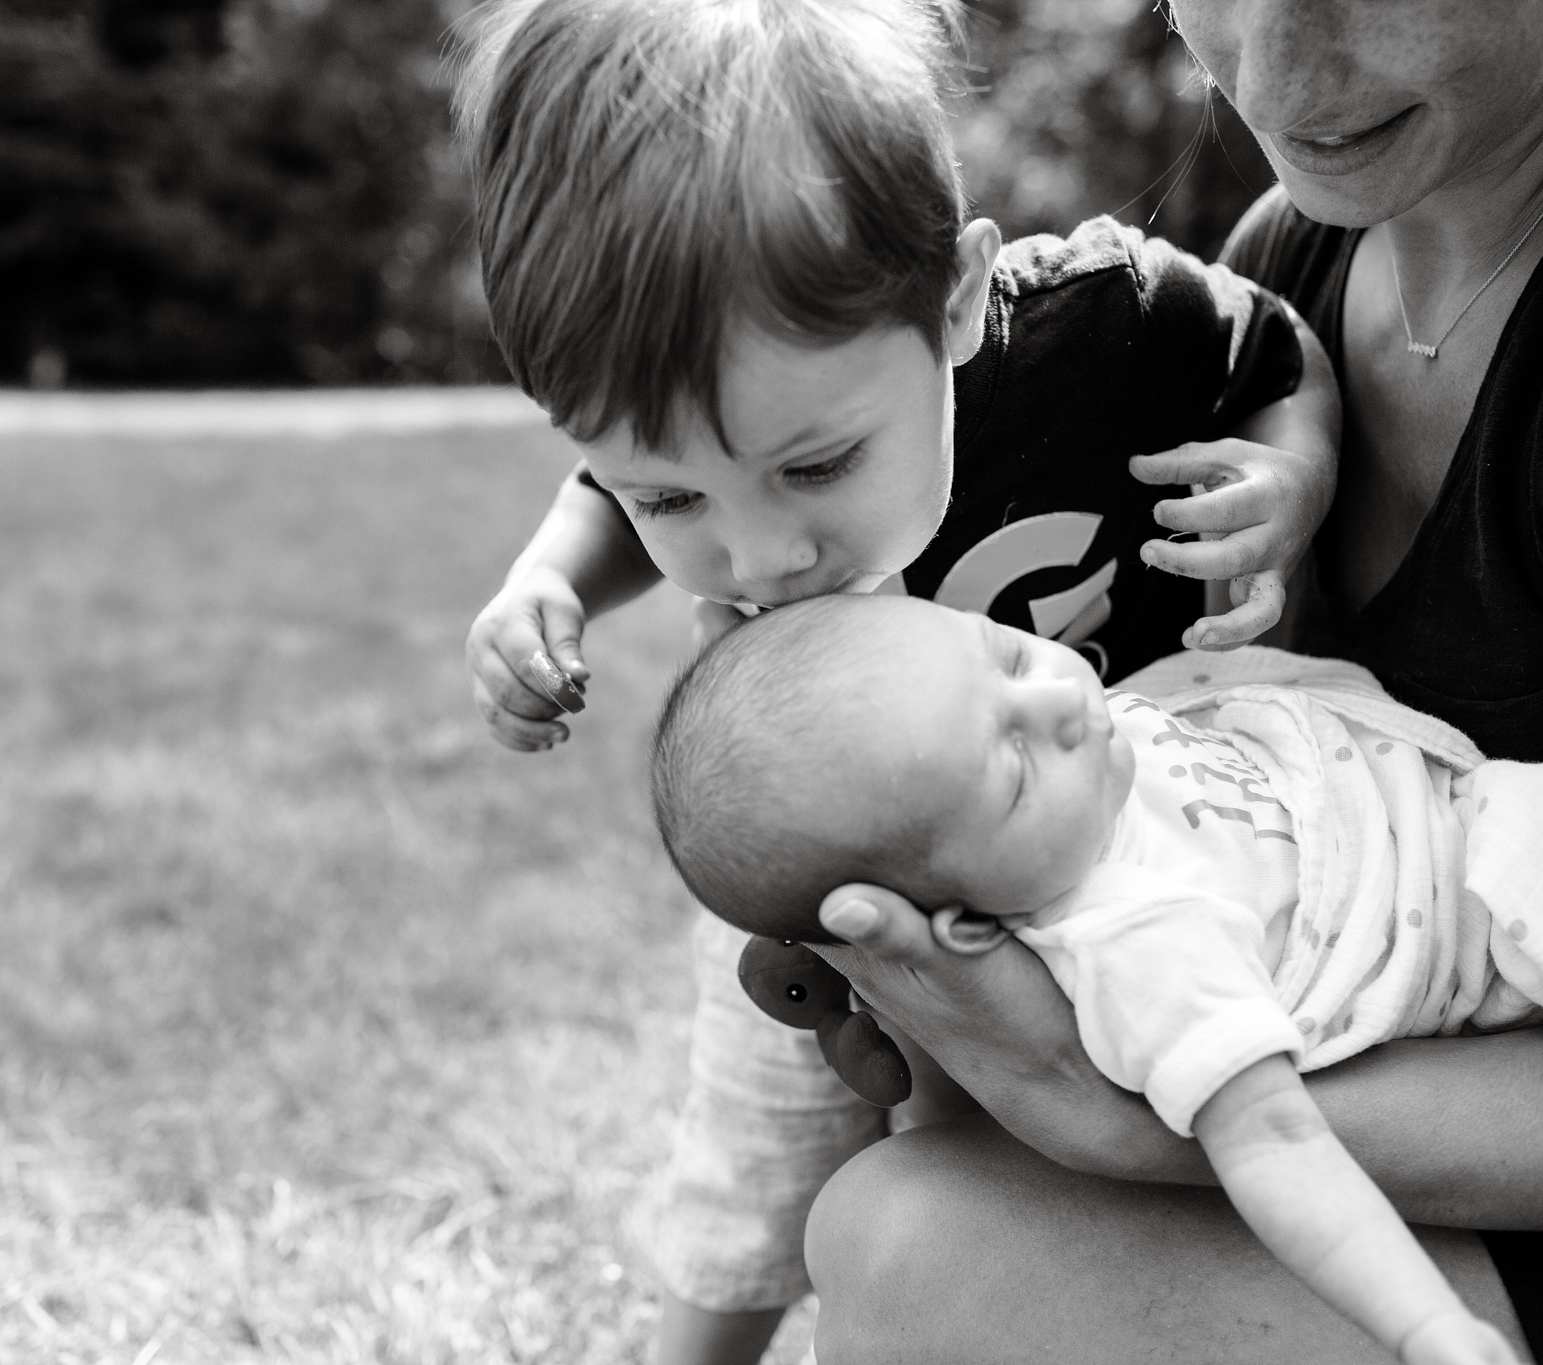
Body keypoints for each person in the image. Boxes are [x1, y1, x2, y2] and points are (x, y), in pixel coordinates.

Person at [803, 3, 1543, 1362]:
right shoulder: (1299, 249)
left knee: (924, 1250)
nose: (1274, 81)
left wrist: (1120, 1108)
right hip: (1437, 1165)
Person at [451, 1, 1344, 1358]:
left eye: (815, 467)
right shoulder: (748, 432)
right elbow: (592, 490)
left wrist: (1294, 474)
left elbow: (1271, 347)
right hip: (829, 888)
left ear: (959, 301)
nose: (761, 554)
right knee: (761, 1156)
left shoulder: (1101, 325)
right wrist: (550, 584)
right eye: (672, 493)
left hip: (1099, 859)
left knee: (1026, 1177)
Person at [650, 590, 1543, 1360]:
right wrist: (1421, 1327)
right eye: (1012, 768)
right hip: (1525, 910)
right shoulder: (1139, 943)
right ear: (962, 923)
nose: (1054, 701)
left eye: (1003, 654)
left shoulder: (1072, 769)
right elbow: (1281, 1150)